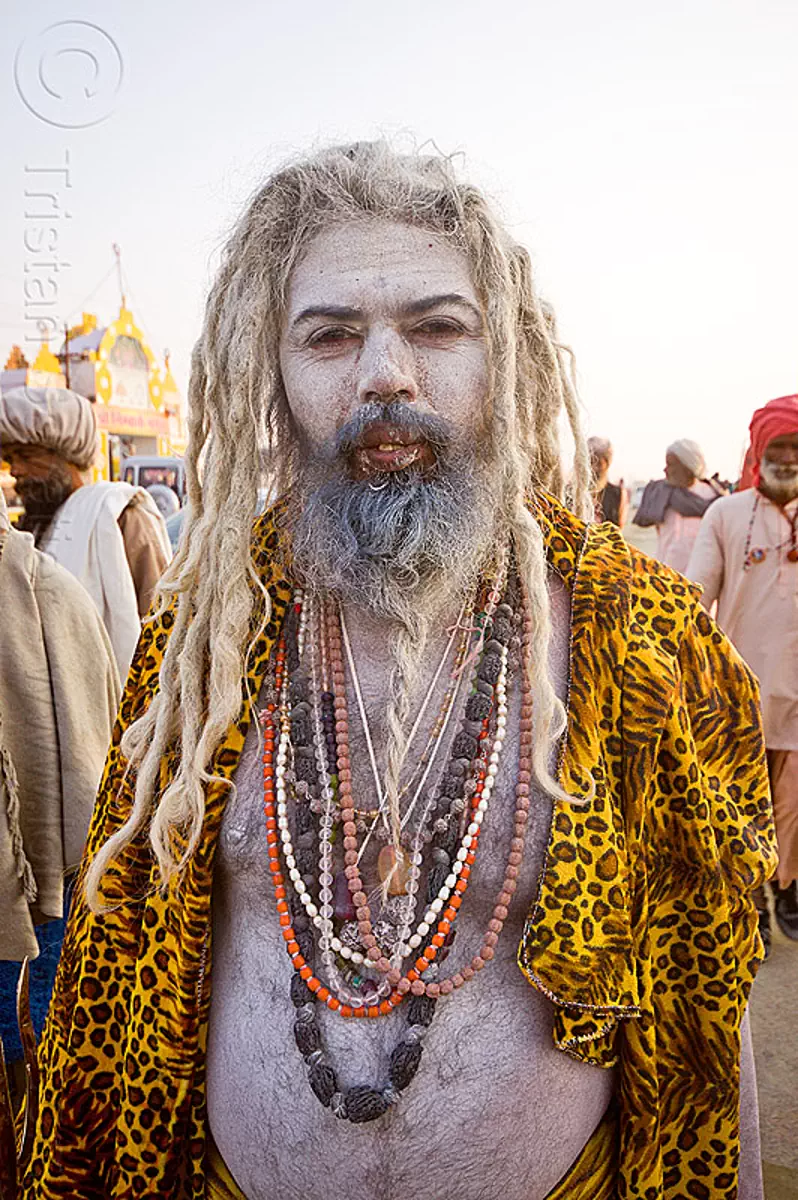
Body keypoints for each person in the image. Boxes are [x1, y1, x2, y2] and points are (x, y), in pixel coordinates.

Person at [19, 143, 774, 1200]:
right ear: (270, 372)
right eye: (329, 335)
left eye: (437, 326)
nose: (386, 373)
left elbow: (709, 998)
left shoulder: (638, 636)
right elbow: (114, 999)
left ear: (500, 354)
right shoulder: (201, 641)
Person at [0, 489, 119, 1096]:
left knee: (39, 1072)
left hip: (45, 898)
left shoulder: (54, 595)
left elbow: (94, 757)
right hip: (39, 894)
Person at [688, 394, 798, 954]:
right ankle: (752, 896)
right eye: (779, 448)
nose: (789, 458)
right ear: (759, 450)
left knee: (796, 803)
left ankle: (789, 888)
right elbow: (692, 597)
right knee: (743, 804)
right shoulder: (727, 515)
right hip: (741, 695)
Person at [0, 387, 172, 677]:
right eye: (9, 459)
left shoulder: (122, 516)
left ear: (66, 454)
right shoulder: (36, 528)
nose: (15, 470)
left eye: (26, 456)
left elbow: (163, 627)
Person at [633, 438, 724, 572]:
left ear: (688, 467)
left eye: (670, 464)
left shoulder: (711, 497)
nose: (665, 470)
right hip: (663, 574)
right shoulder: (661, 494)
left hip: (698, 577)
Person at [587, 436, 628, 526]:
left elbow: (619, 527)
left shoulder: (618, 494)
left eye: (598, 463)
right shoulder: (572, 492)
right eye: (591, 462)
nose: (594, 468)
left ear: (607, 463)